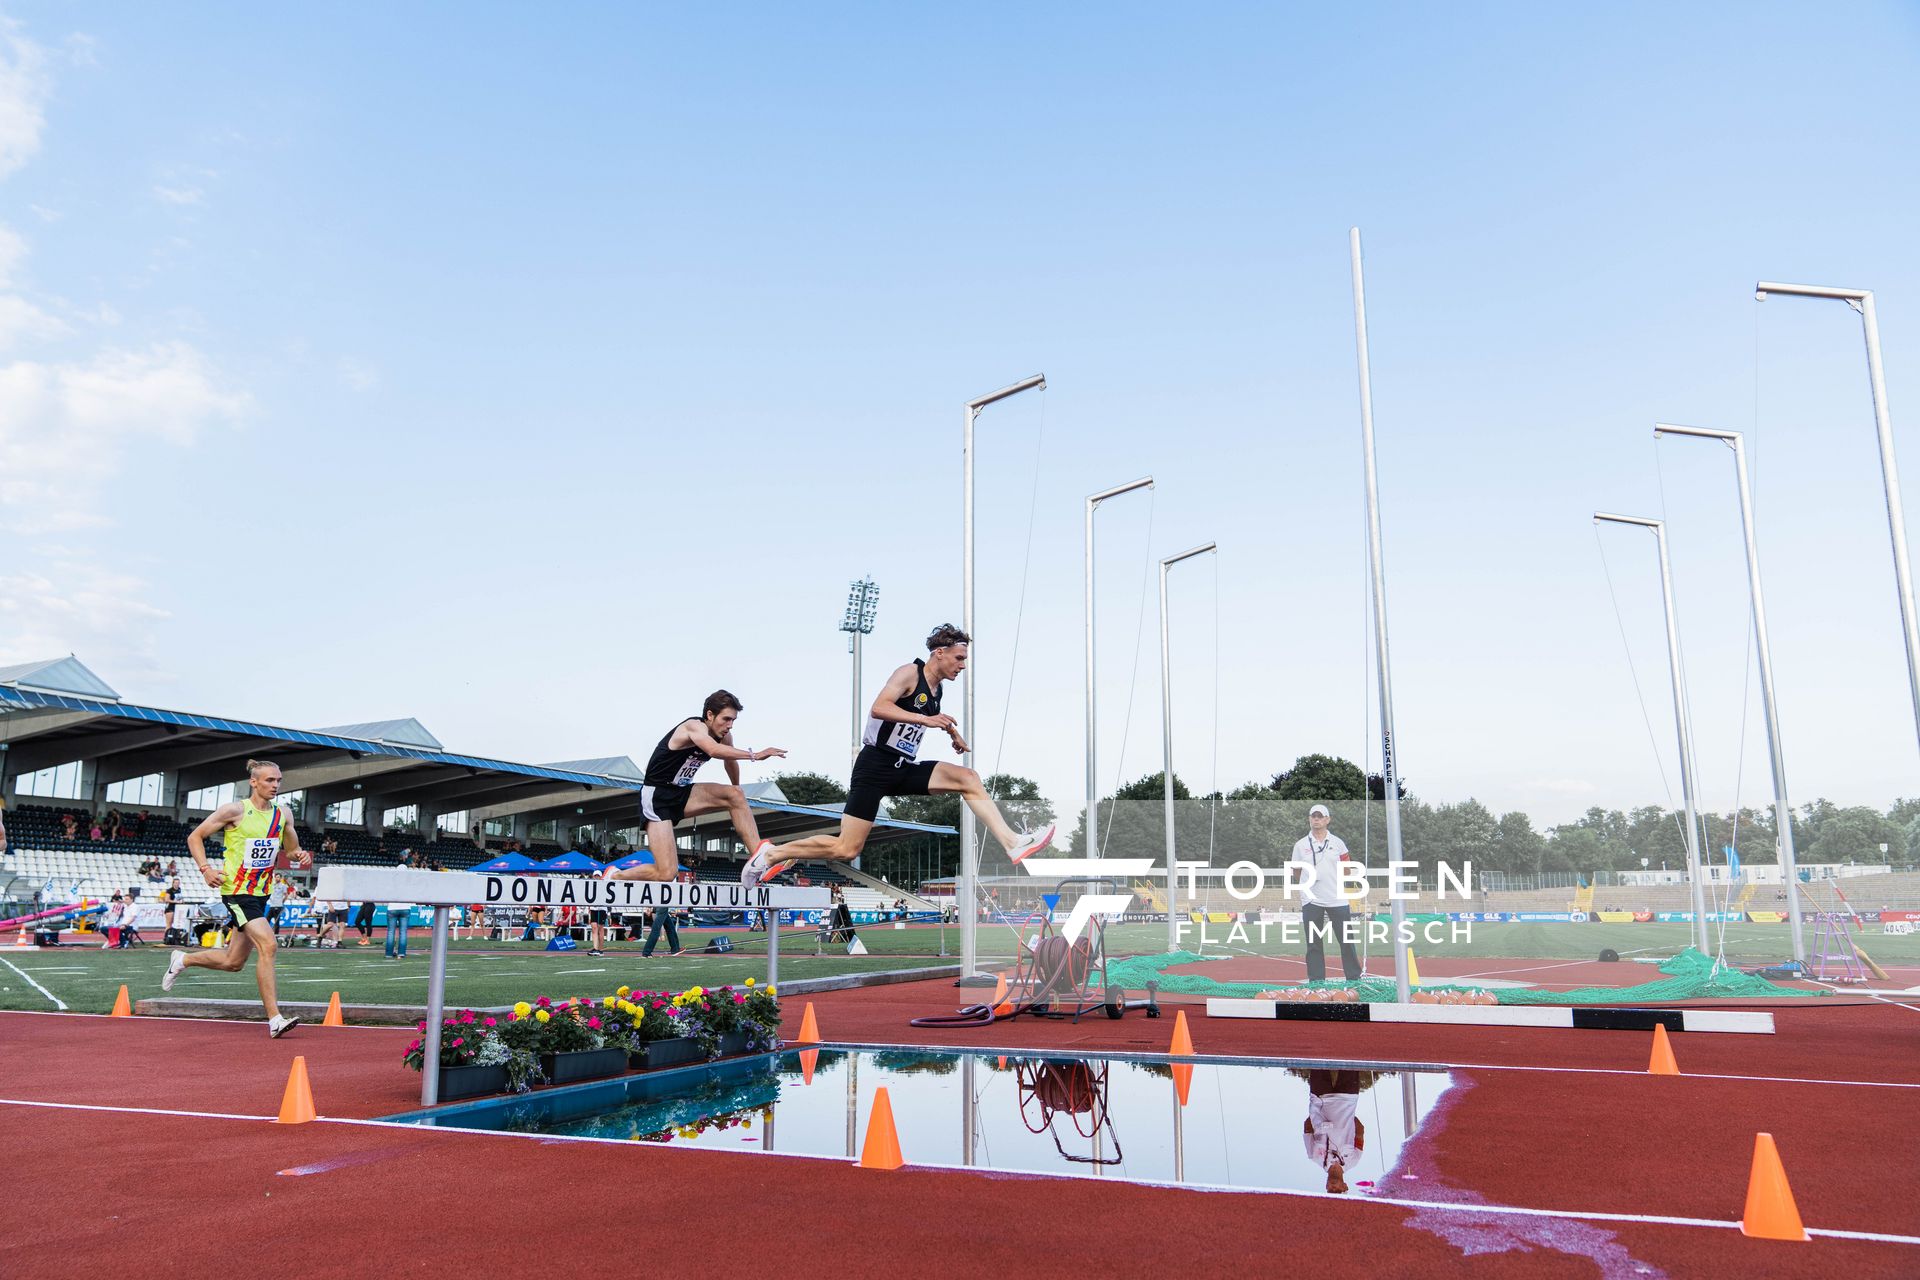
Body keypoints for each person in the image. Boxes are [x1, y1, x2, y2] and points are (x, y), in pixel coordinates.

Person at [760, 624, 1055, 881]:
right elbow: (879, 707)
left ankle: (1012, 842)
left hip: (902, 768)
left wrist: (953, 734)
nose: (963, 665)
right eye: (959, 658)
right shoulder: (909, 673)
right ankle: (774, 853)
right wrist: (926, 720)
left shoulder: (937, 691)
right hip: (875, 766)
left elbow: (922, 719)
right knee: (846, 849)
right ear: (940, 652)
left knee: (968, 778)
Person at [161, 759, 313, 1036]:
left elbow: (291, 849)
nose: (275, 785)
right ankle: (275, 1019)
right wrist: (206, 869)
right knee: (268, 945)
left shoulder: (283, 814)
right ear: (253, 782)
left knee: (234, 962)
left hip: (262, 891)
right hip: (237, 891)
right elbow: (195, 837)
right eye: (269, 780)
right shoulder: (235, 810)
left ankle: (183, 960)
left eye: (278, 780)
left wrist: (298, 854)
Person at [607, 690, 788, 885]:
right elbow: (713, 750)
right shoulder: (693, 727)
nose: (730, 726)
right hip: (657, 796)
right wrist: (755, 755)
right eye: (726, 719)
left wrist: (737, 794)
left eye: (733, 720)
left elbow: (730, 761)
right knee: (667, 873)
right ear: (710, 715)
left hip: (682, 792)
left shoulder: (725, 736)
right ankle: (614, 875)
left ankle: (760, 861)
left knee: (735, 795)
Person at [1292, 804, 1362, 983]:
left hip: (1337, 898)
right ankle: (1316, 981)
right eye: (1313, 816)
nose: (1316, 819)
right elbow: (1296, 872)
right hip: (1311, 899)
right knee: (1313, 943)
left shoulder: (1338, 843)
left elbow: (1347, 869)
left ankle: (1353, 978)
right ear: (1309, 819)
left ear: (1327, 819)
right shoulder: (1300, 845)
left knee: (1346, 940)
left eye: (1320, 816)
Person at [1303, 1069, 1367, 1194]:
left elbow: (1307, 1128)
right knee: (1350, 1059)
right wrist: (1345, 1118)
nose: (1333, 1187)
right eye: (1337, 1190)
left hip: (1319, 1097)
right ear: (1345, 1186)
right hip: (1347, 1098)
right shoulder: (1353, 1160)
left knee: (1318, 1057)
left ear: (1326, 1187)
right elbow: (1360, 1131)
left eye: (1330, 1190)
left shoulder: (1314, 1157)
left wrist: (1317, 1118)